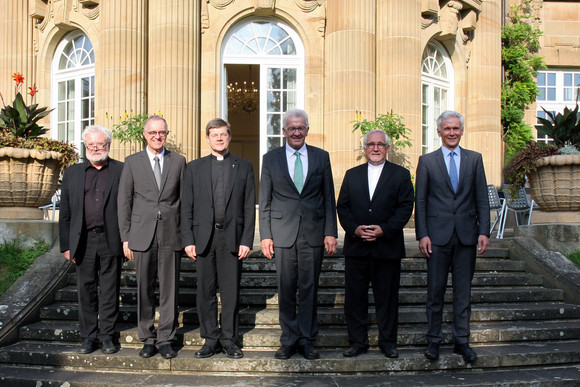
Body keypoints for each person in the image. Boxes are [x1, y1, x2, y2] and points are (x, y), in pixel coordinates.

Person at [259, 108, 338, 360]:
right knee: (286, 288)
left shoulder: (321, 157)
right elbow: (266, 200)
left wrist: (330, 231)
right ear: (284, 131)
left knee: (309, 288)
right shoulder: (270, 159)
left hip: (313, 234)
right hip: (282, 234)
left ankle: (306, 339)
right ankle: (289, 339)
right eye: (291, 128)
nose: (296, 132)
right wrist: (265, 235)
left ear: (307, 129)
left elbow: (328, 198)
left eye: (300, 127)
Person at [415, 111, 490, 363]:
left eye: (456, 128)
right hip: (437, 237)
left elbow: (481, 198)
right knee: (435, 292)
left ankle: (462, 341)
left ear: (462, 130)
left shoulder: (474, 159)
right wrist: (422, 234)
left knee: (463, 293)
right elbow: (421, 201)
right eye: (447, 129)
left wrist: (484, 231)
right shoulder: (427, 161)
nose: (451, 133)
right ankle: (434, 341)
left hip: (467, 236)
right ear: (439, 132)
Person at [181, 118, 255, 359]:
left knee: (231, 292)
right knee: (205, 291)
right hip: (204, 238)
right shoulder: (193, 167)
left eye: (223, 134)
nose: (219, 138)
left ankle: (229, 339)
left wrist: (246, 239)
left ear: (229, 137)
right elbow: (187, 207)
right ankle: (210, 339)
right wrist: (188, 239)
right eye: (215, 135)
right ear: (207, 139)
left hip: (232, 238)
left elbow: (247, 206)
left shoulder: (244, 167)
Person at [337, 129, 414, 359]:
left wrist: (385, 230)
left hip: (387, 248)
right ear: (365, 148)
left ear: (387, 148)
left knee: (387, 299)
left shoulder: (401, 175)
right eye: (371, 144)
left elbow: (405, 208)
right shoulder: (352, 175)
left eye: (380, 144)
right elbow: (343, 207)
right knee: (355, 299)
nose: (376, 148)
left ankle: (388, 342)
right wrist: (354, 229)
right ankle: (357, 342)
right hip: (357, 248)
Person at [118, 115, 186, 359]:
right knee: (144, 288)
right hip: (141, 234)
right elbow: (124, 202)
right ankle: (147, 338)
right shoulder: (132, 162)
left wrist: (186, 236)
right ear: (144, 135)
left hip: (171, 234)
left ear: (166, 134)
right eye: (153, 132)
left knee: (170, 290)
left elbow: (184, 201)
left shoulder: (178, 161)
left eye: (162, 132)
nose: (158, 136)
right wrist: (125, 237)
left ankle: (166, 338)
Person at [59, 125, 124, 355]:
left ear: (108, 145)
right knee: (85, 289)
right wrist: (66, 245)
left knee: (109, 289)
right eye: (91, 145)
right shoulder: (72, 173)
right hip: (83, 240)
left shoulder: (121, 170)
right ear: (85, 146)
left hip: (110, 238)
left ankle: (107, 336)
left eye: (100, 144)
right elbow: (65, 212)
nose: (96, 148)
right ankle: (88, 336)